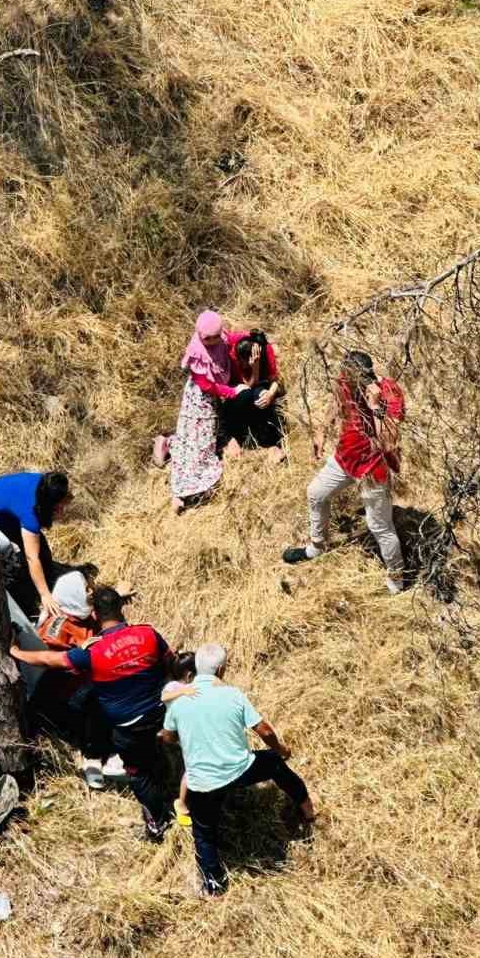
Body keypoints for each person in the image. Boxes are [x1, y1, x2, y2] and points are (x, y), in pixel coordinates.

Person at [11, 586, 174, 838]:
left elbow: (50, 660)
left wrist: (16, 652)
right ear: (121, 608)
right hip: (160, 715)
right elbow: (169, 661)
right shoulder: (148, 633)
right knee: (154, 757)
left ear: (95, 615)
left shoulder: (94, 652)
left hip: (127, 728)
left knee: (140, 776)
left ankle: (157, 823)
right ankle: (164, 779)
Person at [159, 644, 315, 896]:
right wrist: (281, 749)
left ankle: (214, 884)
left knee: (204, 833)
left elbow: (167, 737)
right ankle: (307, 810)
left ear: (196, 668)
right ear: (221, 669)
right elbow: (263, 730)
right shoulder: (232, 694)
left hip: (202, 783)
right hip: (241, 770)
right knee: (275, 765)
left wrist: (183, 737)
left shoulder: (179, 701)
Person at [282, 349, 406, 593]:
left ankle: (397, 580)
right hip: (345, 458)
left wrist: (375, 408)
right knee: (315, 493)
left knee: (379, 526)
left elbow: (389, 441)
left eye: (349, 379)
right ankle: (316, 546)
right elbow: (337, 403)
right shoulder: (345, 379)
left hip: (373, 468)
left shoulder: (389, 393)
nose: (344, 382)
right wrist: (321, 432)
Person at [154, 310, 243, 514]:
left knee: (198, 442)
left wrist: (252, 337)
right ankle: (179, 493)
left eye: (215, 336)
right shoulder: (197, 353)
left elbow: (231, 338)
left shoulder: (220, 337)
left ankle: (167, 443)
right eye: (207, 338)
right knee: (195, 445)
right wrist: (231, 392)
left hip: (211, 402)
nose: (212, 341)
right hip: (200, 402)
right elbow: (207, 386)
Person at [0, 469, 72, 617]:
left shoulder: (47, 483)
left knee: (42, 550)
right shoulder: (29, 515)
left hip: (4, 499)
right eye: (58, 507)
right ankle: (32, 597)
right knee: (32, 556)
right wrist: (45, 595)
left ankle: (48, 577)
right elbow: (32, 558)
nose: (62, 511)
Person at [219, 327, 284, 461]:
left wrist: (270, 394)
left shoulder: (266, 350)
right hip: (239, 389)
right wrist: (255, 369)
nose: (243, 366)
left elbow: (275, 381)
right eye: (241, 362)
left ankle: (272, 443)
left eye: (244, 364)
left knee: (261, 396)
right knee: (247, 395)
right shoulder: (233, 352)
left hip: (258, 386)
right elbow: (248, 386)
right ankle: (232, 438)